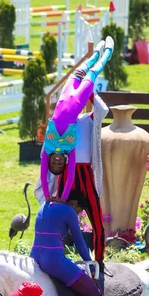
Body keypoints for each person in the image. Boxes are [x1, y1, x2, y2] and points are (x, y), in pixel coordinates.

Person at [39, 37, 114, 205]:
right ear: (64, 161)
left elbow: (43, 175)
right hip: (78, 99)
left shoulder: (48, 148)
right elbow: (71, 174)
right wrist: (63, 197)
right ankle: (108, 52)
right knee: (93, 72)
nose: (57, 161)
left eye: (54, 163)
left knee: (81, 69)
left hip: (65, 94)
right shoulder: (70, 148)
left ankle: (96, 52)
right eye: (60, 164)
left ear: (49, 160)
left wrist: (47, 195)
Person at [30, 191, 103, 296]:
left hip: (35, 257)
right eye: (79, 211)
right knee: (92, 291)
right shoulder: (68, 211)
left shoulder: (44, 205)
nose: (77, 215)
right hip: (53, 260)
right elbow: (79, 242)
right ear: (74, 202)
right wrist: (90, 264)